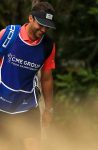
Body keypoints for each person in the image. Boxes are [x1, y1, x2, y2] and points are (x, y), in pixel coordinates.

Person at [0, 1, 56, 150]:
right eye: (41, 24)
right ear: (30, 18)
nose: (44, 30)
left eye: (47, 26)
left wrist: (49, 109)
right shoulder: (8, 35)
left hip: (27, 105)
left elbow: (46, 78)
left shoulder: (48, 46)